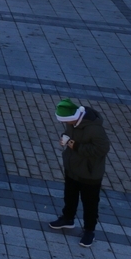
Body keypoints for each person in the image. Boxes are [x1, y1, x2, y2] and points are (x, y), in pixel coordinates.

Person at [49, 98, 110, 248]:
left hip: (89, 172)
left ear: (72, 118)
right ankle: (68, 218)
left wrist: (72, 144)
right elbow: (71, 136)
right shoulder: (74, 123)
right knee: (70, 194)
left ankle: (89, 230)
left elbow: (102, 149)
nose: (65, 124)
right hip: (73, 167)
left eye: (65, 121)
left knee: (90, 202)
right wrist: (66, 139)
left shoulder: (94, 129)